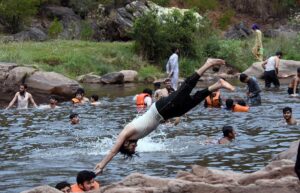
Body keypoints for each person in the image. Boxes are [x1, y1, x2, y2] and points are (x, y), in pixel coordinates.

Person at [94, 59, 235, 174]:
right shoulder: (134, 137)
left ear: (125, 145)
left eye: (132, 149)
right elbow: (148, 124)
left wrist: (101, 165)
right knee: (188, 104)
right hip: (164, 114)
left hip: (161, 109)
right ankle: (217, 85)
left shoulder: (126, 134)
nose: (135, 148)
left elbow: (113, 151)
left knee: (184, 91)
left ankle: (208, 64)